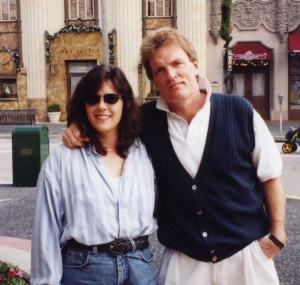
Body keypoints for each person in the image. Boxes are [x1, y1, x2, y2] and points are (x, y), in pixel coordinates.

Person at [62, 28, 286, 285]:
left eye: (177, 63)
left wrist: (277, 235)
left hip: (245, 258)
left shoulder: (239, 111)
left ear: (194, 65)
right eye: (160, 70)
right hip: (184, 262)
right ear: (153, 79)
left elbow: (270, 175)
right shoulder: (143, 120)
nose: (171, 74)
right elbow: (105, 119)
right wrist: (78, 127)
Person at [31, 64, 158, 285]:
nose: (101, 106)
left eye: (110, 98)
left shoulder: (147, 151)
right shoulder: (63, 159)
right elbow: (46, 231)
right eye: (93, 98)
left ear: (124, 102)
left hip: (141, 266)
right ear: (83, 104)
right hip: (85, 270)